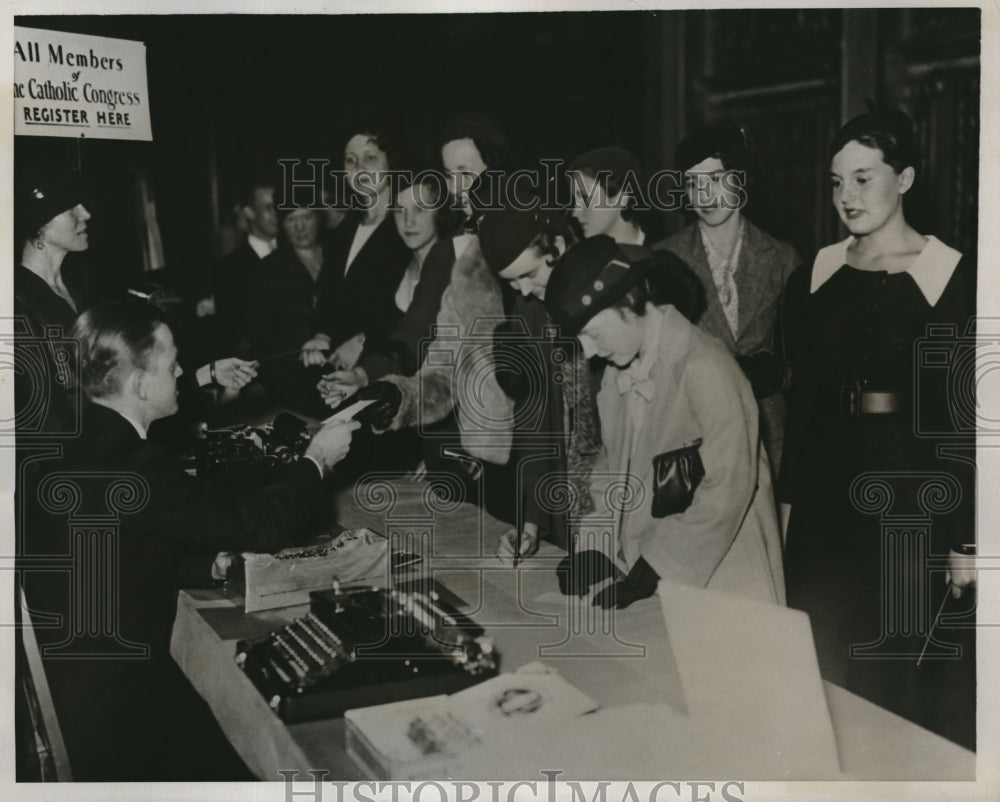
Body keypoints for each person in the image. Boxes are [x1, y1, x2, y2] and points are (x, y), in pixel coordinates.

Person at [22, 300, 360, 780]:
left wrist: (210, 566)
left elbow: (115, 551)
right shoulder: (138, 466)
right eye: (172, 364)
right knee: (265, 753)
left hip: (78, 689)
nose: (183, 372)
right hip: (118, 721)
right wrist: (317, 460)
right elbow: (257, 523)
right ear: (140, 385)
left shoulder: (72, 444)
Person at [779, 105, 975, 749]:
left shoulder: (954, 277)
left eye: (864, 178)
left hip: (910, 500)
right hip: (825, 508)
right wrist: (787, 509)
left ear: (907, 178)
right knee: (820, 678)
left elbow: (964, 419)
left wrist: (966, 540)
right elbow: (802, 403)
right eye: (837, 182)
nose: (847, 197)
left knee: (894, 688)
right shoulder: (817, 273)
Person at [545, 235, 784, 609]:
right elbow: (612, 471)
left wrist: (658, 567)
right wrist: (596, 546)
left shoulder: (705, 365)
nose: (588, 351)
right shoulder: (616, 374)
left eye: (591, 333)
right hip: (660, 574)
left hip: (727, 573)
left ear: (628, 303)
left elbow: (728, 487)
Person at [653, 125, 798, 483]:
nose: (705, 194)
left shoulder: (782, 257)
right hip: (695, 434)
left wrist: (775, 373)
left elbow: (803, 363)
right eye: (693, 184)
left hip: (768, 436)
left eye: (716, 178)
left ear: (740, 179)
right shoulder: (664, 259)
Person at [301, 128, 412, 370]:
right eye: (350, 160)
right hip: (340, 369)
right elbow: (329, 298)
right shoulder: (342, 231)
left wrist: (364, 340)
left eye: (370, 157)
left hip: (387, 363)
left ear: (391, 163)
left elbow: (412, 306)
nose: (359, 167)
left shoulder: (409, 226)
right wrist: (322, 335)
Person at [244, 203, 330, 410]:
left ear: (318, 218)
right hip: (294, 382)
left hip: (338, 368)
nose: (300, 227)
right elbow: (260, 335)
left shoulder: (338, 256)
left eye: (306, 217)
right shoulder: (268, 269)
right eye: (291, 220)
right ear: (282, 224)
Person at [210, 177, 279, 352]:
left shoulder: (294, 253)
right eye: (268, 208)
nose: (277, 213)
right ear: (249, 212)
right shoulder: (228, 269)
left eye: (280, 205)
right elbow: (231, 335)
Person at [567, 146, 652, 246]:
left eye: (585, 198)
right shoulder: (580, 258)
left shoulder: (663, 254)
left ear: (621, 198)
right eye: (575, 200)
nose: (575, 213)